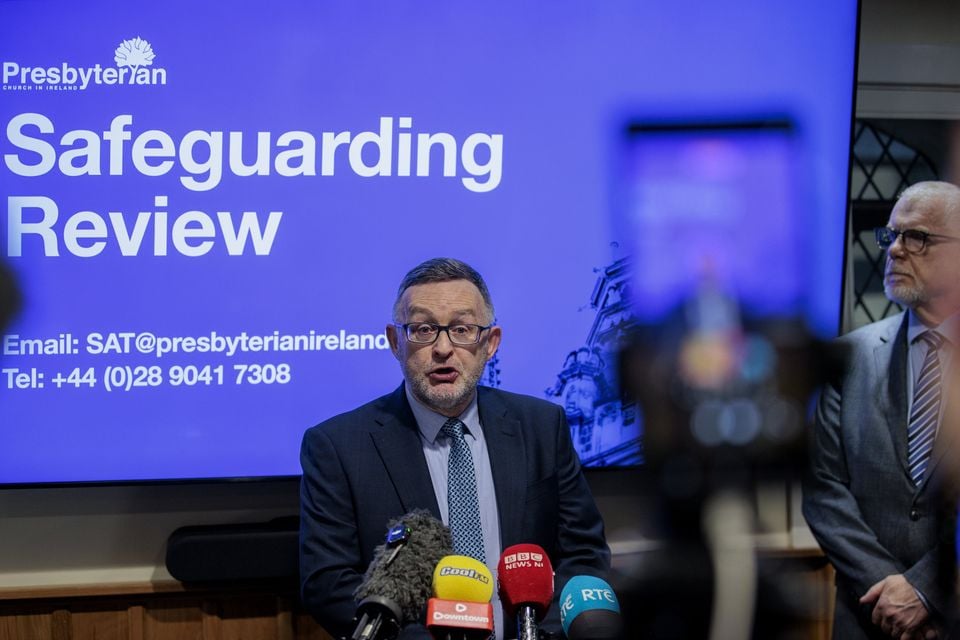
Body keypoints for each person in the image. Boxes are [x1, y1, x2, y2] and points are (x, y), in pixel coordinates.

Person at [300, 257, 610, 639]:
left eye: (462, 329)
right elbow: (329, 583)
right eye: (423, 329)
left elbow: (582, 556)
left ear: (490, 343)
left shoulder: (542, 427)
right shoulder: (338, 445)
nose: (443, 348)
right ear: (395, 342)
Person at [803, 181, 960, 640]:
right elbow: (824, 492)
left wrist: (925, 592)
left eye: (917, 237)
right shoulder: (845, 359)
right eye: (890, 235)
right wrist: (888, 592)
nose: (893, 251)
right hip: (869, 618)